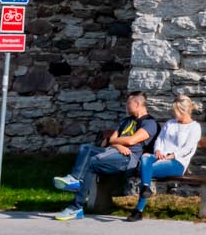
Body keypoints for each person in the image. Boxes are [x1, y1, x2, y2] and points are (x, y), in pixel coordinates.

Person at [50, 91, 158, 220]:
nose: (126, 106)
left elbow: (131, 141)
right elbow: (112, 139)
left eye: (128, 103)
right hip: (115, 151)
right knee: (86, 148)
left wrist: (117, 143)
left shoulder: (149, 123)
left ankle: (76, 205)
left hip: (129, 159)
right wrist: (118, 145)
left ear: (137, 103)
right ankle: (75, 181)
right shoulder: (126, 121)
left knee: (92, 162)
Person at [126, 95, 203, 222]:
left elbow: (187, 148)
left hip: (176, 162)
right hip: (159, 157)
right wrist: (157, 151)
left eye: (175, 111)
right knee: (145, 157)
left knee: (146, 169)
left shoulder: (194, 127)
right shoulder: (170, 123)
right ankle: (146, 187)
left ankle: (138, 210)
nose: (173, 113)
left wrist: (170, 156)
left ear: (182, 111)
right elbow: (160, 140)